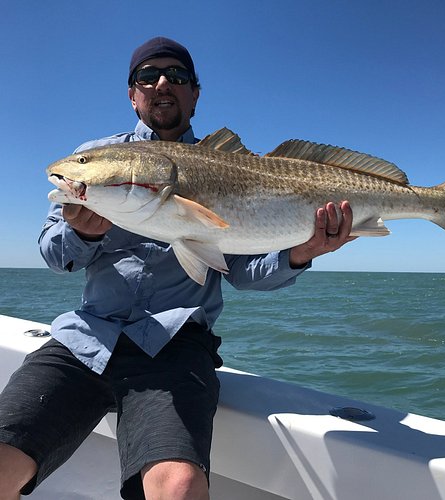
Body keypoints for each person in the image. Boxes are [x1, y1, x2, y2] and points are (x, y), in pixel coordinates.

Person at [0, 37, 355, 500]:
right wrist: (84, 234)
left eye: (177, 76)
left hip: (176, 347)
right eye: (147, 76)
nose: (162, 83)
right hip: (88, 337)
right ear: (133, 95)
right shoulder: (96, 156)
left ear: (194, 94)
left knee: (180, 486)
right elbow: (54, 255)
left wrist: (301, 253)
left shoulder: (228, 165)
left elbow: (243, 272)